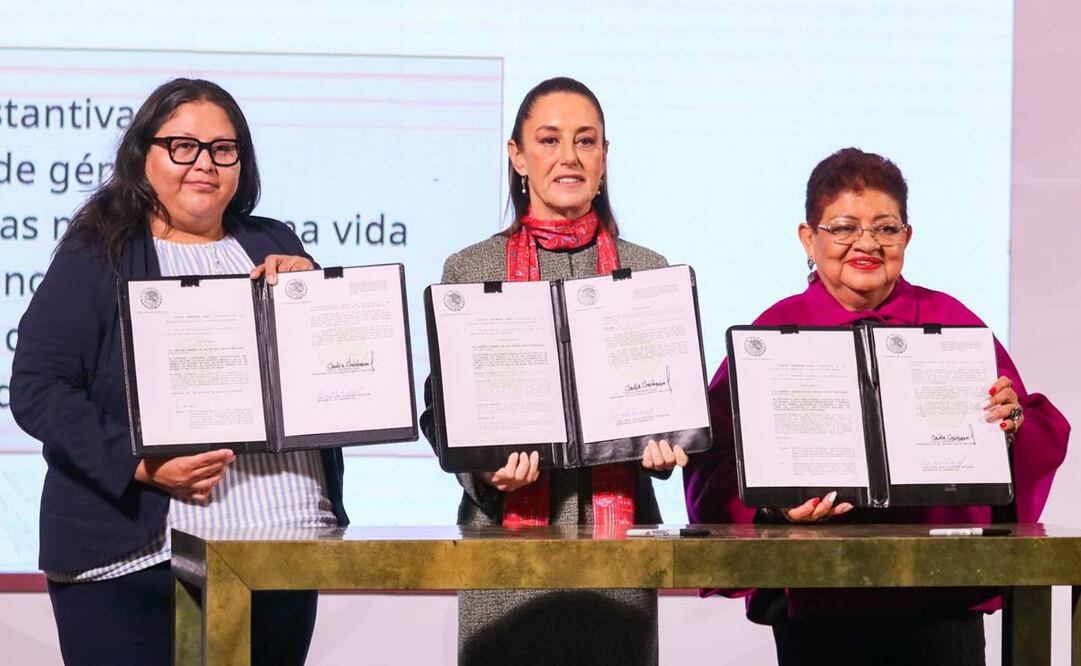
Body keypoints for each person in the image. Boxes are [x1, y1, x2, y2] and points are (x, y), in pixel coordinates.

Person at [683, 147, 1070, 666]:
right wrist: (774, 506)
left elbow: (1033, 434)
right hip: (818, 599)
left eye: (886, 229)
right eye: (844, 227)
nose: (866, 243)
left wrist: (1012, 420)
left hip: (939, 596)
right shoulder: (772, 335)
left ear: (906, 238)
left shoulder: (953, 324)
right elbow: (715, 460)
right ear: (809, 238)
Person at [10, 78, 348, 665]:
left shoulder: (275, 242)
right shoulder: (100, 252)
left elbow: (329, 376)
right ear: (144, 156)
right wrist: (139, 463)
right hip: (134, 568)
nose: (205, 164)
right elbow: (37, 388)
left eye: (224, 148)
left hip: (279, 561)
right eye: (183, 146)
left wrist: (311, 295)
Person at [420, 77, 689, 666]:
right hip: (504, 560)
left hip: (618, 563)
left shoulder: (649, 271)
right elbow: (440, 410)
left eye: (586, 141)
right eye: (549, 139)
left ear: (604, 158)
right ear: (517, 156)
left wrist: (667, 445)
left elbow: (665, 407)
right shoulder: (472, 267)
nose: (569, 156)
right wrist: (486, 470)